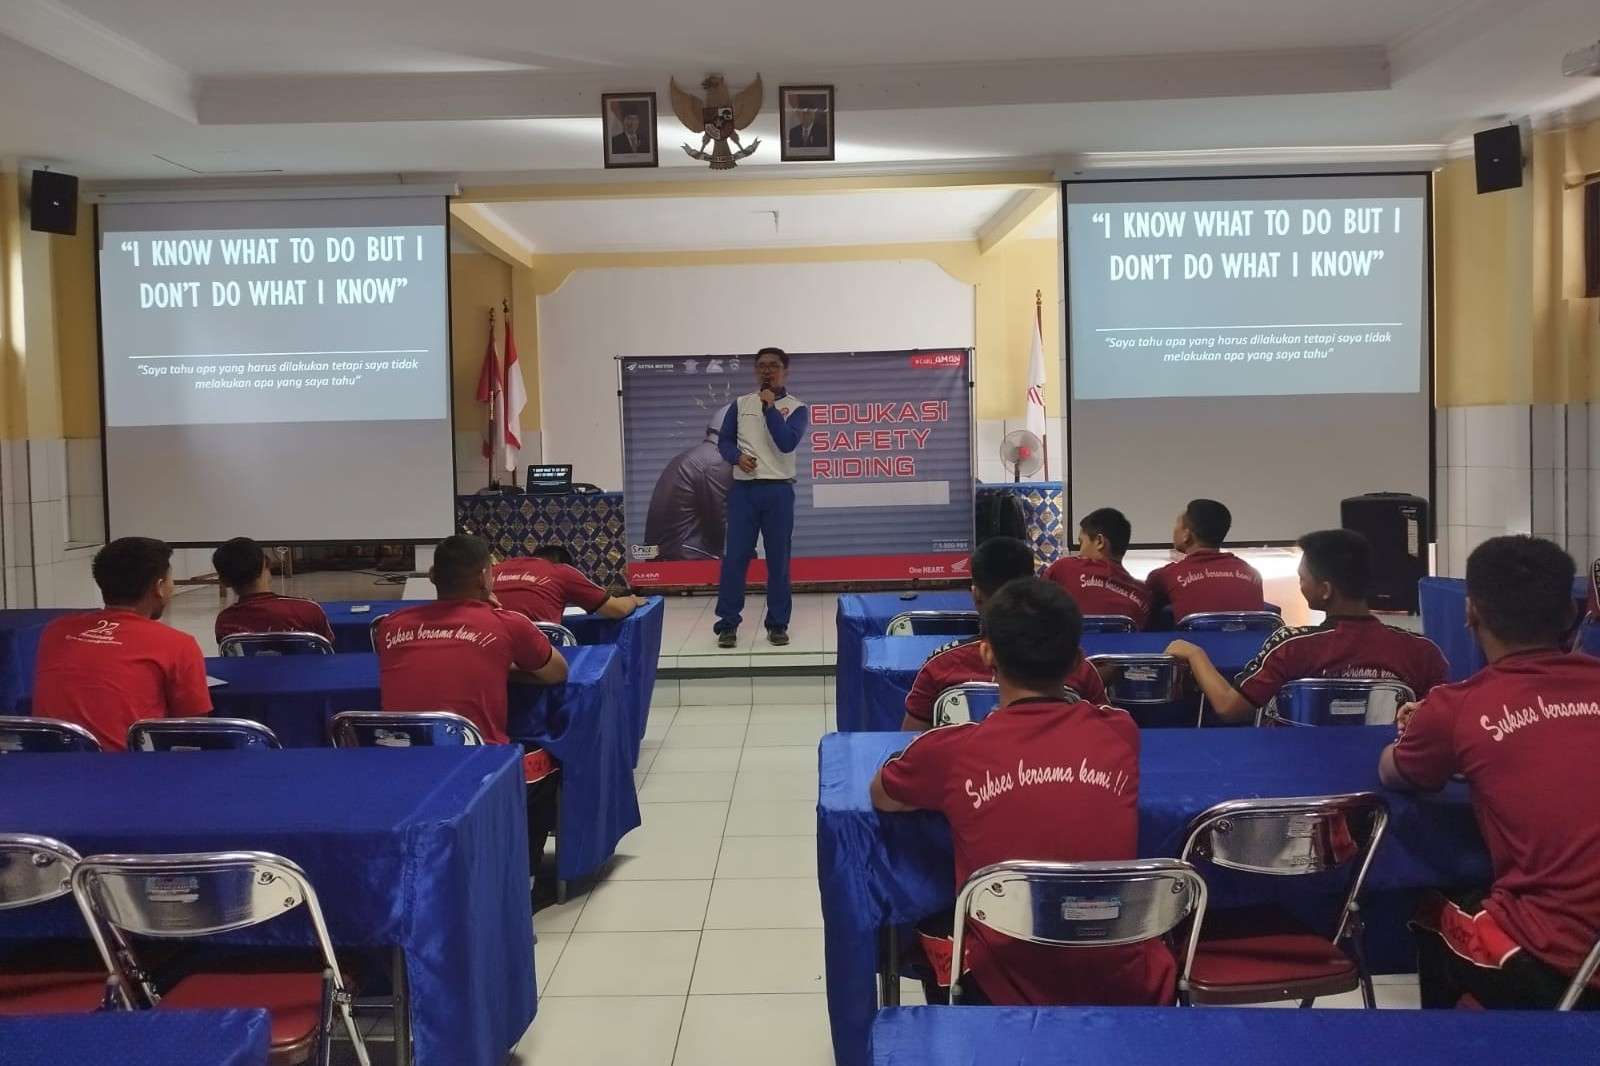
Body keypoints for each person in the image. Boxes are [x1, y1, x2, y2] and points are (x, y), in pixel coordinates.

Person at [870, 578, 1173, 1006]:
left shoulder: (951, 751)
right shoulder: (1120, 731)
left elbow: (882, 794)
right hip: (1118, 970)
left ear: (987, 652)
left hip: (1001, 978)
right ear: (1076, 660)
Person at [1380, 535, 1600, 1010]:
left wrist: (1417, 729)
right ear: (1570, 613)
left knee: (1429, 910)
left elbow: (1396, 772)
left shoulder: (1456, 708)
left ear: (1471, 612)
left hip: (1561, 959)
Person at [375, 535, 569, 881]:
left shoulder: (391, 626)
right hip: (476, 768)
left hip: (399, 766)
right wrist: (500, 660)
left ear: (433, 576)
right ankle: (519, 881)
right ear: (484, 577)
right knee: (547, 765)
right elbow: (556, 672)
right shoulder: (506, 623)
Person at [1166, 528, 1447, 723]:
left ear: (1325, 589)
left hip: (1296, 776)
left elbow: (1229, 708)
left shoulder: (1291, 646)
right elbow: (1443, 719)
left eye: (1303, 578)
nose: (1300, 584)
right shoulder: (1423, 651)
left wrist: (1195, 654)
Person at [902, 537, 1106, 731]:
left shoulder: (939, 666)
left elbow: (909, 740)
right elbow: (1104, 735)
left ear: (976, 594)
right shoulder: (1080, 668)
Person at [31, 537, 211, 750]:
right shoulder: (179, 645)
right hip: (126, 773)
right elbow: (193, 727)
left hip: (47, 768)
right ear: (159, 587)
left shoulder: (55, 631)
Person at [714, 346, 809, 648]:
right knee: (735, 560)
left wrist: (770, 409)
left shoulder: (797, 408)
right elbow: (724, 441)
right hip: (744, 491)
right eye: (762, 366)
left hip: (779, 492)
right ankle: (728, 624)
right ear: (756, 370)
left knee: (778, 562)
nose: (767, 370)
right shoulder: (740, 404)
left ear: (785, 370)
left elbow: (785, 443)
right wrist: (736, 457)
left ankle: (778, 624)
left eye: (774, 366)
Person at [1146, 499, 1265, 625]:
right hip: (1249, 644)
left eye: (1177, 525)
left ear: (1186, 534)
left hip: (1195, 644)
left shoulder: (1167, 575)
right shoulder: (1252, 573)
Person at [643, 404, 734, 561]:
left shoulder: (696, 456)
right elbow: (720, 525)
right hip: (687, 558)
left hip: (668, 556)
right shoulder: (717, 461)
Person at [1040, 507, 1152, 628]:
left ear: (1099, 541)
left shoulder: (1063, 568)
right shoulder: (1143, 594)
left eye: (1081, 542)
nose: (1080, 551)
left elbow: (1036, 608)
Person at [211, 537, 334, 644]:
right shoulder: (309, 610)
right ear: (267, 564)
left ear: (224, 581)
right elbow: (328, 651)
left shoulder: (225, 621)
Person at [493, 546, 647, 625]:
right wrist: (632, 599)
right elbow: (617, 610)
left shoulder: (495, 569)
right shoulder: (561, 571)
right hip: (531, 654)